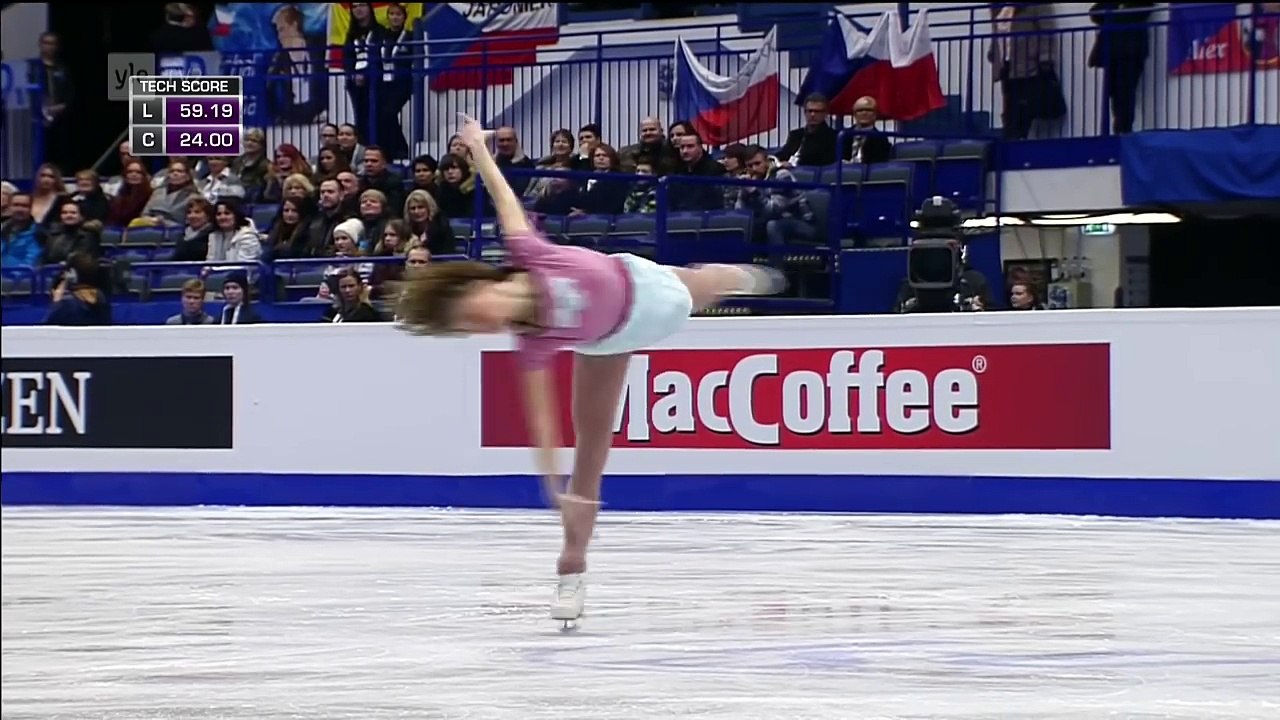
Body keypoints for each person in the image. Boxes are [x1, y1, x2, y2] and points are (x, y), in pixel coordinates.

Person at [393, 114, 785, 626]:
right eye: (470, 330)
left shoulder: (530, 253)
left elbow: (504, 197)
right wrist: (552, 481)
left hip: (647, 292)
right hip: (607, 340)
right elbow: (542, 423)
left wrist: (478, 149)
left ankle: (736, 277)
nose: (482, 327)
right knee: (592, 445)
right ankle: (571, 567)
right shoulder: (531, 344)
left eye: (471, 316)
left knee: (696, 285)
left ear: (475, 287)